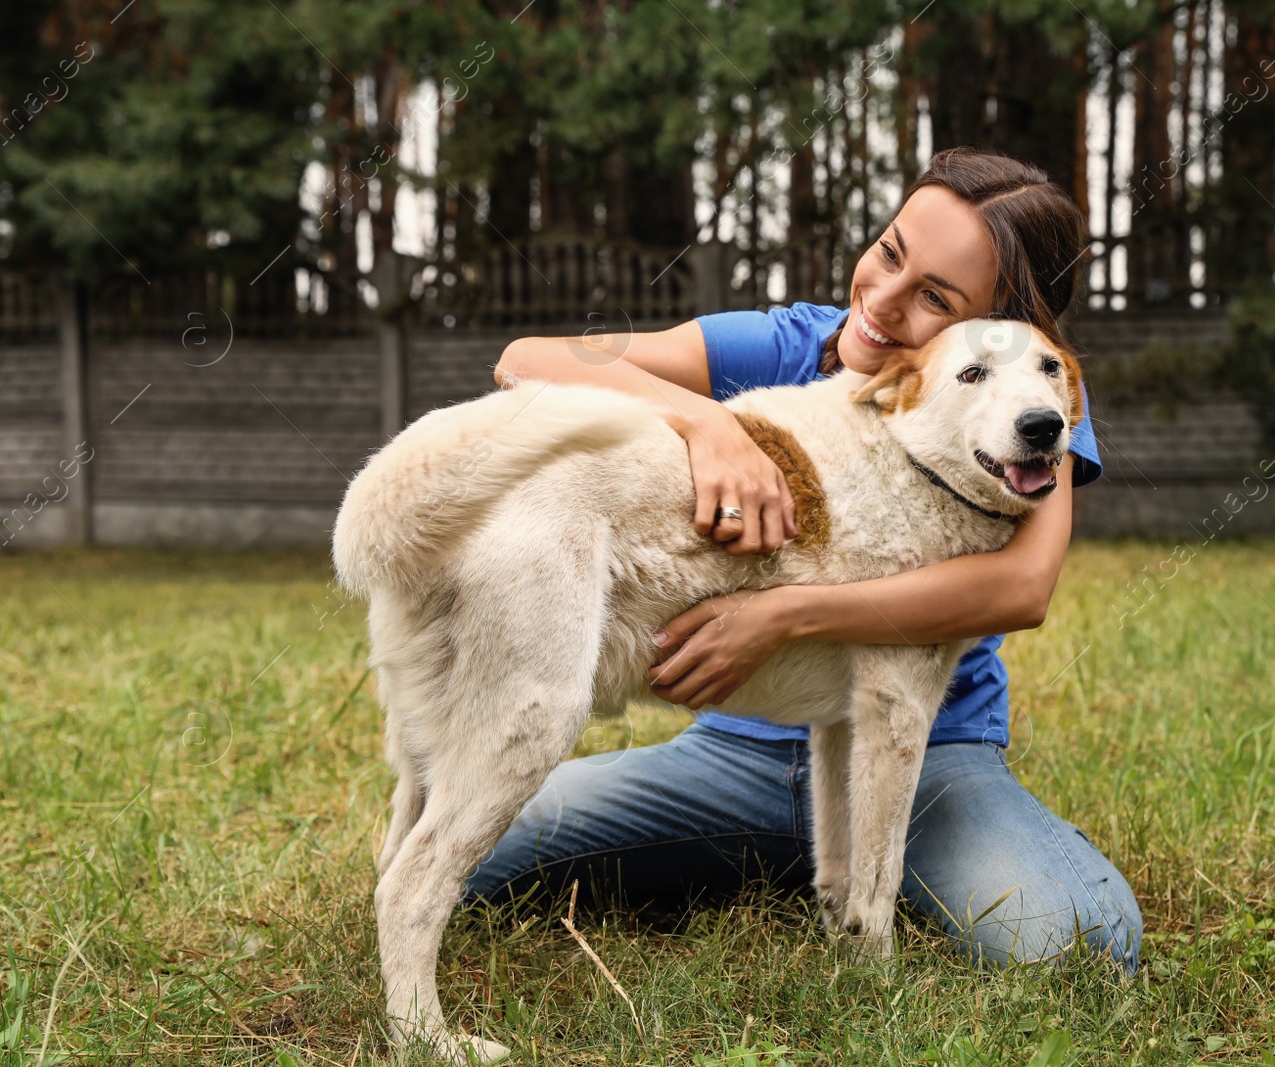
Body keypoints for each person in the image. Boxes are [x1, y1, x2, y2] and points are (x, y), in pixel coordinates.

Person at [468, 146, 1142, 974]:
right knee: (472, 860)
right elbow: (528, 360)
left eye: (935, 296)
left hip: (924, 760)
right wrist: (707, 423)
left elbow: (1021, 586)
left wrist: (782, 615)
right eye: (891, 252)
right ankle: (772, 861)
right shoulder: (786, 340)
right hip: (726, 755)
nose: (883, 302)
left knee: (1079, 945)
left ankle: (879, 865)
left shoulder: (1027, 402)